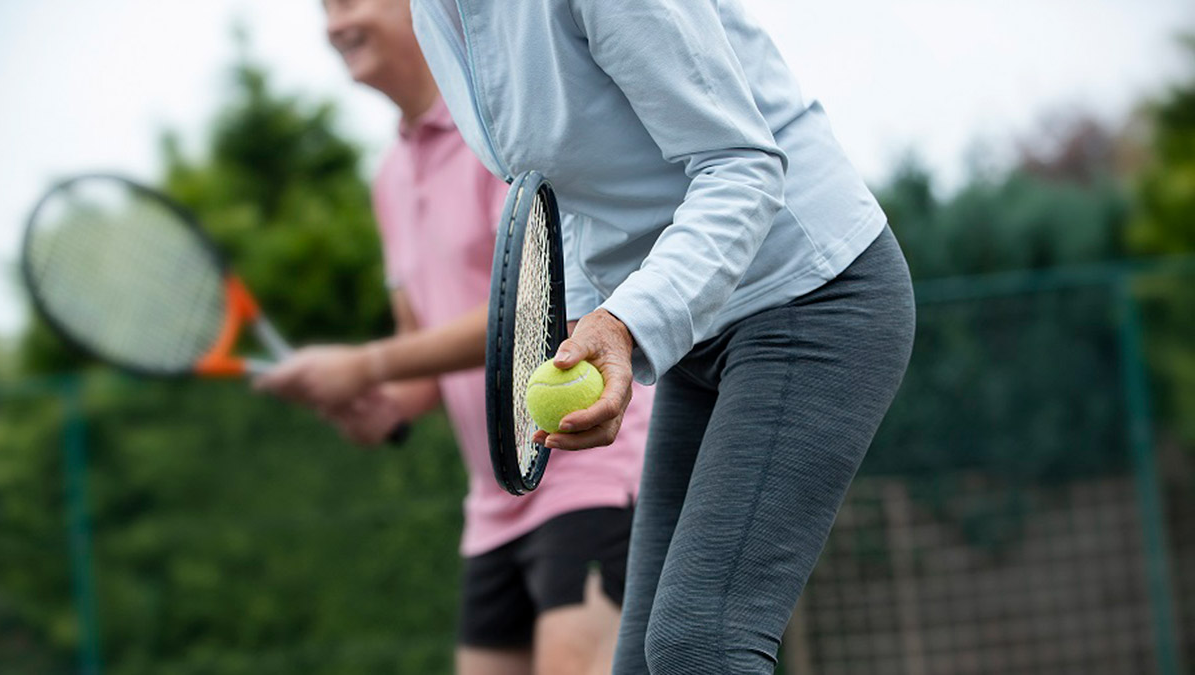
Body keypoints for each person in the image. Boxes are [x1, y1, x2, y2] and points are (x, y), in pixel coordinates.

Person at [262, 0, 915, 673]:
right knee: (640, 663)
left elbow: (742, 165)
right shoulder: (441, 14)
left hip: (811, 290)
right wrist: (579, 328)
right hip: (702, 337)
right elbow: (563, 195)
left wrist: (623, 321)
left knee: (699, 644)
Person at [279, 1, 655, 673]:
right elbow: (416, 352)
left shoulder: (502, 130)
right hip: (493, 504)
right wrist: (384, 403)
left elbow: (538, 312)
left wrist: (364, 364)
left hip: (589, 474)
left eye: (348, 1)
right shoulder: (389, 177)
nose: (334, 24)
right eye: (325, 8)